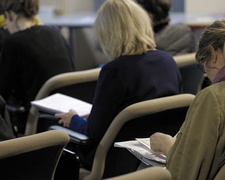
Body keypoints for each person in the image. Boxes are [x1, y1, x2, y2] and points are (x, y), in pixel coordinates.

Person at [55, 0, 183, 171]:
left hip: (112, 163)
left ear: (108, 33)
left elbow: (92, 135)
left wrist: (73, 119)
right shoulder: (167, 61)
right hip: (156, 159)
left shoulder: (115, 71)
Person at [150, 19, 225, 179]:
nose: (206, 74)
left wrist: (167, 145)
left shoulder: (213, 98)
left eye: (203, 66)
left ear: (213, 55)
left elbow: (182, 174)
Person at [0, 0, 74, 133]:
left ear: (10, 16)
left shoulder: (12, 42)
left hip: (35, 122)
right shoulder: (55, 33)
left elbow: (2, 92)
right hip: (68, 118)